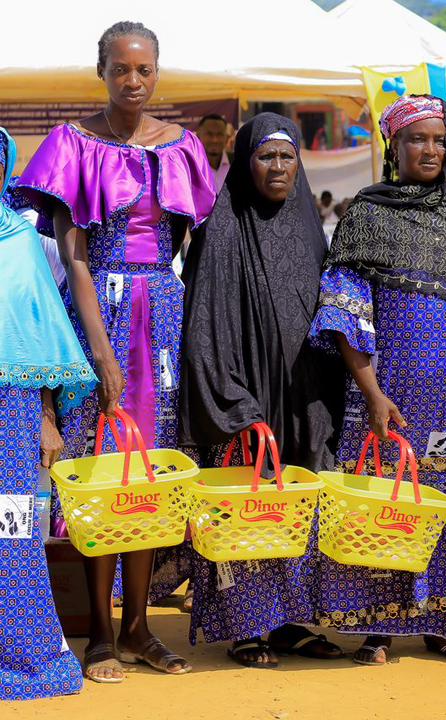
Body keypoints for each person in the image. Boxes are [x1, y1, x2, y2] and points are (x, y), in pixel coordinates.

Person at [15, 21, 216, 683]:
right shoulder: (74, 143)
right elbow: (73, 255)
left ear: (159, 72)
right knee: (102, 475)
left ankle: (139, 628)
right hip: (96, 308)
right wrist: (100, 353)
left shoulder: (183, 146)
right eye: (122, 69)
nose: (134, 81)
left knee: (150, 477)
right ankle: (100, 632)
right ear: (102, 71)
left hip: (161, 315)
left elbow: (186, 244)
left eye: (145, 70)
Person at [309, 95, 446, 665]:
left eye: (439, 140)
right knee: (385, 502)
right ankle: (380, 625)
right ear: (392, 147)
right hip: (388, 390)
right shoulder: (367, 213)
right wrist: (372, 393)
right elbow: (346, 308)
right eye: (416, 139)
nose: (430, 149)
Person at [179, 112, 343, 668]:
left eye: (287, 156)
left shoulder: (307, 226)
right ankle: (246, 626)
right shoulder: (221, 226)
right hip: (244, 396)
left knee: (298, 505)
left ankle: (291, 623)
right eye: (265, 157)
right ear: (246, 163)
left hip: (304, 394)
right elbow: (204, 321)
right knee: (249, 509)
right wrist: (234, 402)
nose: (277, 167)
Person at [0, 127, 95, 701]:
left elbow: (40, 333)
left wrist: (46, 416)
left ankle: (23, 655)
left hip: (11, 410)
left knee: (11, 527)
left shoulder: (20, 241)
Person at [196, 113, 230, 192]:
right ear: (198, 136)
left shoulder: (238, 163)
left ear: (227, 137)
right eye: (209, 134)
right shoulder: (190, 167)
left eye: (220, 134)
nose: (215, 140)